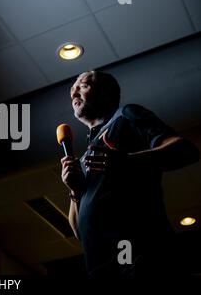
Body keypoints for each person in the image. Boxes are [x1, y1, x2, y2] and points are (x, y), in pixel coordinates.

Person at [60, 70, 199, 278]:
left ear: (106, 93)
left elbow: (185, 150)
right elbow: (80, 232)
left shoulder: (125, 116)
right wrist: (75, 191)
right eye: (72, 90)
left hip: (143, 262)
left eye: (83, 86)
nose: (74, 94)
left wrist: (127, 162)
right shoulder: (83, 161)